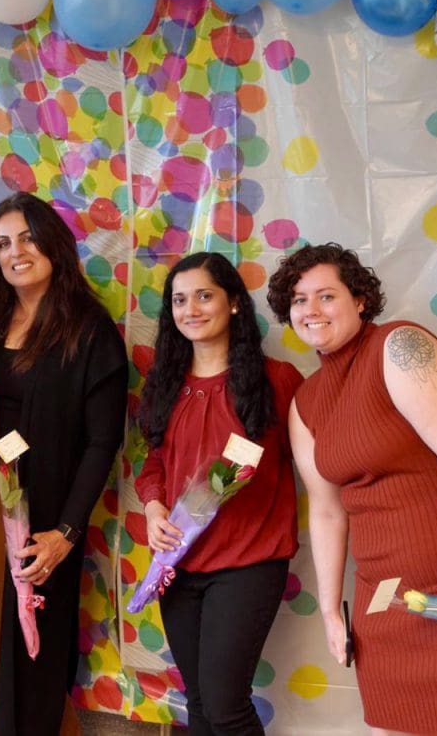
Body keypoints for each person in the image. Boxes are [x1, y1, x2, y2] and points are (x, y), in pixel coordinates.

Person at [265, 243, 437, 736]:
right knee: (391, 725)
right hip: (387, 590)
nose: (311, 309)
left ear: (360, 300)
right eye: (299, 300)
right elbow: (327, 512)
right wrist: (330, 611)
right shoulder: (306, 403)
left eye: (326, 296)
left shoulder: (399, 347)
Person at [0, 191, 128, 736]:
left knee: (34, 645)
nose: (16, 252)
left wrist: (65, 533)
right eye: (3, 243)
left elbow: (102, 442)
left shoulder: (89, 328)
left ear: (53, 244)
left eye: (28, 238)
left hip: (45, 513)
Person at [135, 252, 302, 735]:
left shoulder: (278, 381)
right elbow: (155, 462)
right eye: (179, 300)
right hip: (178, 566)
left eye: (204, 296)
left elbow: (319, 464)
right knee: (200, 705)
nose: (190, 309)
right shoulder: (164, 385)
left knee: (227, 707)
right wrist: (153, 509)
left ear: (233, 303)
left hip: (248, 563)